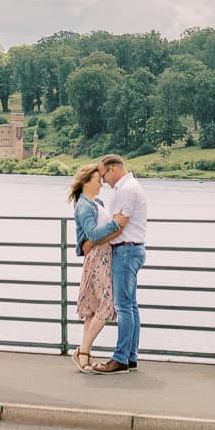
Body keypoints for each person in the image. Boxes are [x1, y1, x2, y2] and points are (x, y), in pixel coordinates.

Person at [68, 162, 129, 372]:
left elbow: (98, 234)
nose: (101, 184)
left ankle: (85, 356)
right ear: (86, 182)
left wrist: (115, 225)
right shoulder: (84, 206)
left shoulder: (97, 202)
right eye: (97, 180)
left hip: (104, 255)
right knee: (105, 306)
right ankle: (82, 351)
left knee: (95, 307)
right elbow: (93, 234)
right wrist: (115, 224)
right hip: (97, 259)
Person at [92, 153, 147, 374]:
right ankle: (130, 355)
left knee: (123, 306)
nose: (103, 181)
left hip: (125, 250)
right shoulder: (130, 187)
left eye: (104, 175)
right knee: (130, 305)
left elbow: (118, 226)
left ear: (113, 169)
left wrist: (94, 242)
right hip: (132, 249)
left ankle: (121, 357)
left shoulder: (126, 190)